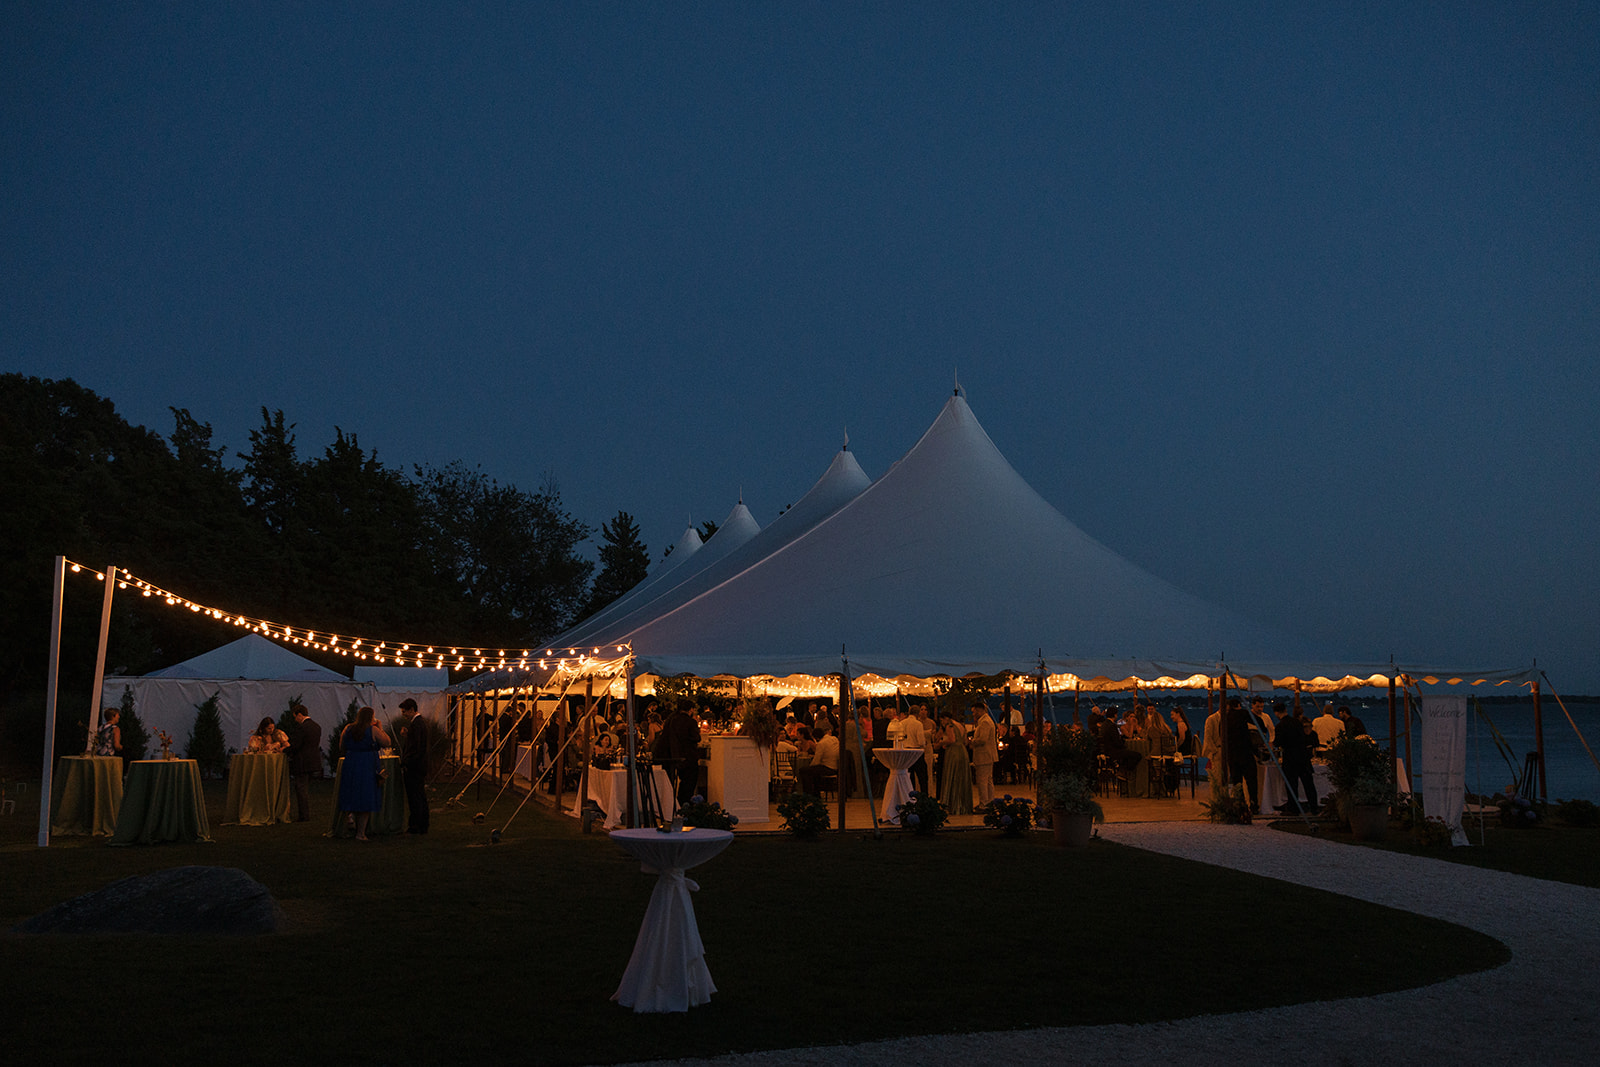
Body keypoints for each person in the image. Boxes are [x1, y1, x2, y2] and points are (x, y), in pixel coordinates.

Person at [337, 706, 391, 841]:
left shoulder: (348, 728)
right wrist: (380, 728)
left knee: (351, 790)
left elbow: (341, 745)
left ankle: (350, 815)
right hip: (367, 763)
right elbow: (387, 742)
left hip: (351, 761)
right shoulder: (372, 730)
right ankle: (360, 833)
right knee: (366, 794)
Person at [1273, 701, 1317, 815]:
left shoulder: (1280, 726)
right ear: (1285, 710)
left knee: (1292, 785)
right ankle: (1314, 807)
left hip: (1290, 758)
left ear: (1276, 713)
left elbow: (1278, 742)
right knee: (1308, 784)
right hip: (1303, 757)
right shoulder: (1297, 723)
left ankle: (1294, 809)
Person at [656, 703, 702, 808]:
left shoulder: (671, 720)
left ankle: (675, 806)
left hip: (672, 756)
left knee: (674, 782)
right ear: (690, 710)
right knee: (689, 781)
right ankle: (683, 805)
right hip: (688, 756)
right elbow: (696, 738)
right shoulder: (690, 722)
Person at [398, 698, 430, 834]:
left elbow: (416, 748)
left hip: (415, 767)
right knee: (419, 795)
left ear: (412, 710)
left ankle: (416, 826)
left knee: (415, 796)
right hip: (419, 766)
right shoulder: (418, 724)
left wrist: (407, 762)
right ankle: (422, 824)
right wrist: (408, 735)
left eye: (404, 712)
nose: (403, 714)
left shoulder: (417, 724)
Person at [1223, 696, 1259, 814]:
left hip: (1232, 755)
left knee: (1237, 782)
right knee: (1251, 780)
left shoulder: (1225, 718)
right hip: (1245, 752)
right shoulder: (1243, 713)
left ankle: (1240, 805)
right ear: (1238, 705)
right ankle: (1254, 805)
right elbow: (1257, 722)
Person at [287, 704, 322, 822]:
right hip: (313, 761)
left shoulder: (302, 728)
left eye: (295, 717)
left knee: (301, 789)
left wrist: (285, 750)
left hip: (302, 762)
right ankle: (304, 814)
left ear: (300, 715)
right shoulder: (316, 726)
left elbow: (296, 745)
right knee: (304, 789)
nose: (295, 720)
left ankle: (304, 815)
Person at [937, 714, 972, 815]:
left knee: (952, 776)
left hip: (953, 752)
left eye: (942, 720)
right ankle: (963, 805)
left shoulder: (950, 725)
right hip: (963, 752)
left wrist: (941, 743)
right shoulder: (961, 725)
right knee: (961, 778)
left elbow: (952, 740)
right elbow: (965, 741)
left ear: (946, 718)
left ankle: (952, 805)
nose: (942, 723)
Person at [970, 702, 998, 805]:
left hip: (984, 755)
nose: (973, 714)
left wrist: (972, 742)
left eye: (974, 712)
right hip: (987, 755)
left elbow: (982, 739)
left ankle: (984, 803)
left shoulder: (985, 722)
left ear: (979, 710)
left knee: (982, 781)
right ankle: (990, 801)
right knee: (988, 780)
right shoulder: (986, 721)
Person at [798, 725, 839, 795]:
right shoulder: (834, 739)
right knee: (814, 772)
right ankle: (815, 793)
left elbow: (816, 761)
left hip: (827, 767)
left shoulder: (821, 743)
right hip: (837, 766)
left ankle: (809, 793)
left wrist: (810, 766)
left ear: (816, 737)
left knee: (803, 770)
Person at [899, 705, 928, 795]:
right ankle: (924, 797)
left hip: (905, 752)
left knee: (909, 777)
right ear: (918, 713)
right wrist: (925, 743)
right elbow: (921, 742)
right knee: (922, 777)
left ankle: (910, 797)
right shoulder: (918, 724)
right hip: (916, 752)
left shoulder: (902, 723)